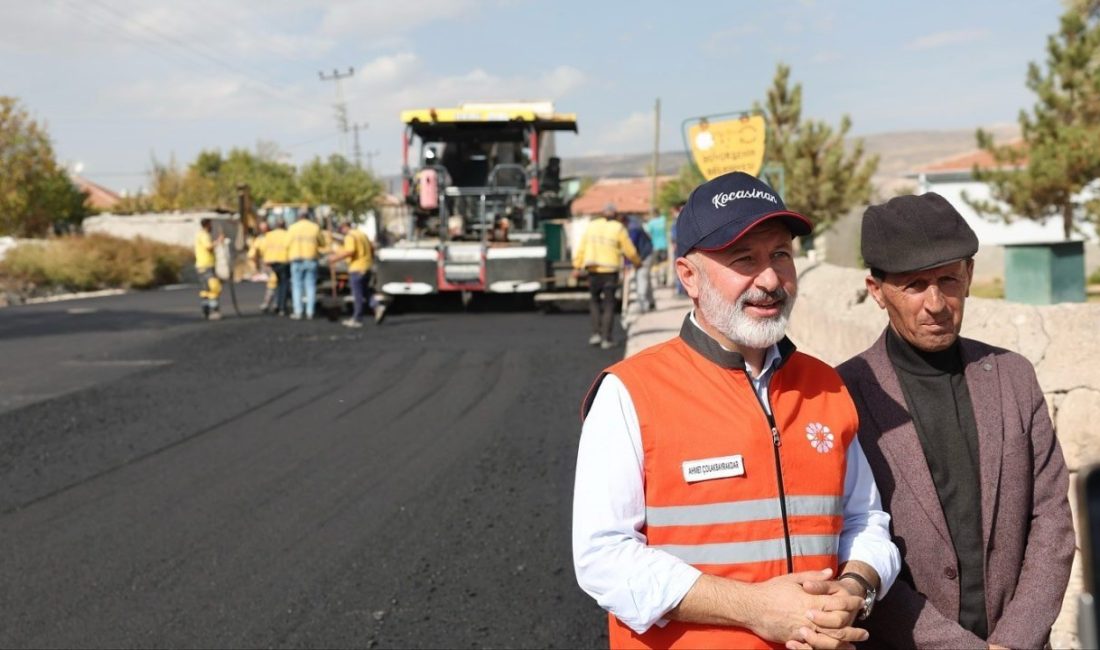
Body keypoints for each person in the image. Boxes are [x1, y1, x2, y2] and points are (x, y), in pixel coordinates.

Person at [573, 171, 900, 649]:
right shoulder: (630, 393)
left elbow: (865, 520)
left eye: (780, 256)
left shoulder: (825, 386)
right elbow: (602, 556)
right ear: (689, 276)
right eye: (743, 259)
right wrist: (755, 609)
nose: (769, 280)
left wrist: (856, 588)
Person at [836, 193, 1075, 649]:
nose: (936, 303)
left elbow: (1052, 521)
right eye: (914, 285)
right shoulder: (842, 394)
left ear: (968, 276)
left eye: (947, 279)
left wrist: (1016, 639)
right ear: (876, 291)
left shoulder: (1014, 377)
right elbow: (853, 540)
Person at [573, 203, 642, 349]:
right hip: (610, 272)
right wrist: (637, 262)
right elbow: (629, 249)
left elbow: (582, 247)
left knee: (594, 301)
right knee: (609, 304)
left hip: (593, 270)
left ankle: (596, 334)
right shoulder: (618, 228)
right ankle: (606, 338)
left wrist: (577, 266)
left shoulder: (592, 226)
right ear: (615, 215)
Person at [328, 222, 385, 327]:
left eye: (341, 229)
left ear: (345, 227)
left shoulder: (350, 236)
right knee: (365, 292)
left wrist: (334, 258)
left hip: (357, 267)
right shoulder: (362, 234)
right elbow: (371, 248)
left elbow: (350, 251)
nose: (341, 231)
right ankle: (377, 306)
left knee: (357, 294)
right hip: (366, 266)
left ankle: (357, 318)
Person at [286, 212, 326, 320]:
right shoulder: (315, 228)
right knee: (310, 286)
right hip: (311, 259)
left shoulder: (292, 228)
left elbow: (287, 243)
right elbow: (322, 243)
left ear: (298, 217)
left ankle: (298, 312)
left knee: (297, 286)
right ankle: (310, 312)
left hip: (296, 259)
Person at [194, 217, 224, 320]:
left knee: (205, 290)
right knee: (214, 288)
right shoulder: (204, 235)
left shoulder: (200, 234)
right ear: (207, 225)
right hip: (206, 265)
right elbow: (209, 247)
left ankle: (205, 310)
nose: (212, 227)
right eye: (210, 224)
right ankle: (214, 311)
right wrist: (218, 241)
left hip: (201, 265)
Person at [627, 215, 655, 313]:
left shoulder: (633, 229)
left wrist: (627, 263)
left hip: (644, 256)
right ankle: (651, 302)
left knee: (641, 278)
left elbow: (630, 247)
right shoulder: (635, 225)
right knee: (645, 278)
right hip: (647, 253)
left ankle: (643, 304)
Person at [248, 221, 278, 313]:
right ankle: (272, 303)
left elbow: (252, 254)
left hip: (272, 262)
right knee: (273, 283)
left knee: (274, 283)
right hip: (271, 264)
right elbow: (252, 254)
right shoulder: (262, 239)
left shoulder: (263, 239)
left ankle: (272, 303)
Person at [264, 218, 291, 316]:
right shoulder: (287, 234)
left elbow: (265, 247)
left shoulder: (269, 235)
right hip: (284, 261)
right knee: (284, 284)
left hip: (272, 262)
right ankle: (281, 307)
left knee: (278, 283)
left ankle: (277, 304)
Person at [645, 211, 669, 288]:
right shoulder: (663, 220)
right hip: (664, 245)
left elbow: (647, 232)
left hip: (655, 246)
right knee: (664, 263)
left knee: (656, 265)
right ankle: (664, 279)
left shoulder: (651, 223)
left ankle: (658, 281)